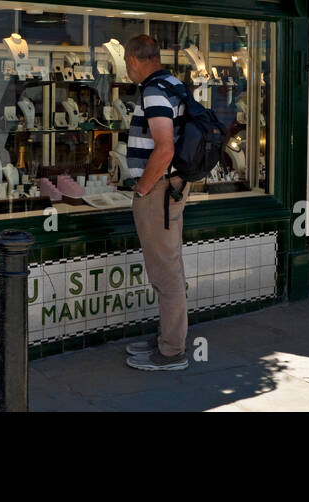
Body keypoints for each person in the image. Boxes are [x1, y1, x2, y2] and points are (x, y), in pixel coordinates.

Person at [120, 34, 191, 371]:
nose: (126, 69)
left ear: (134, 59)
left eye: (125, 62)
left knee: (165, 273)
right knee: (170, 267)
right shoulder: (173, 83)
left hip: (160, 191)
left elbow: (165, 148)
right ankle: (168, 339)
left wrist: (144, 188)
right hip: (171, 188)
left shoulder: (153, 90)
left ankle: (171, 352)